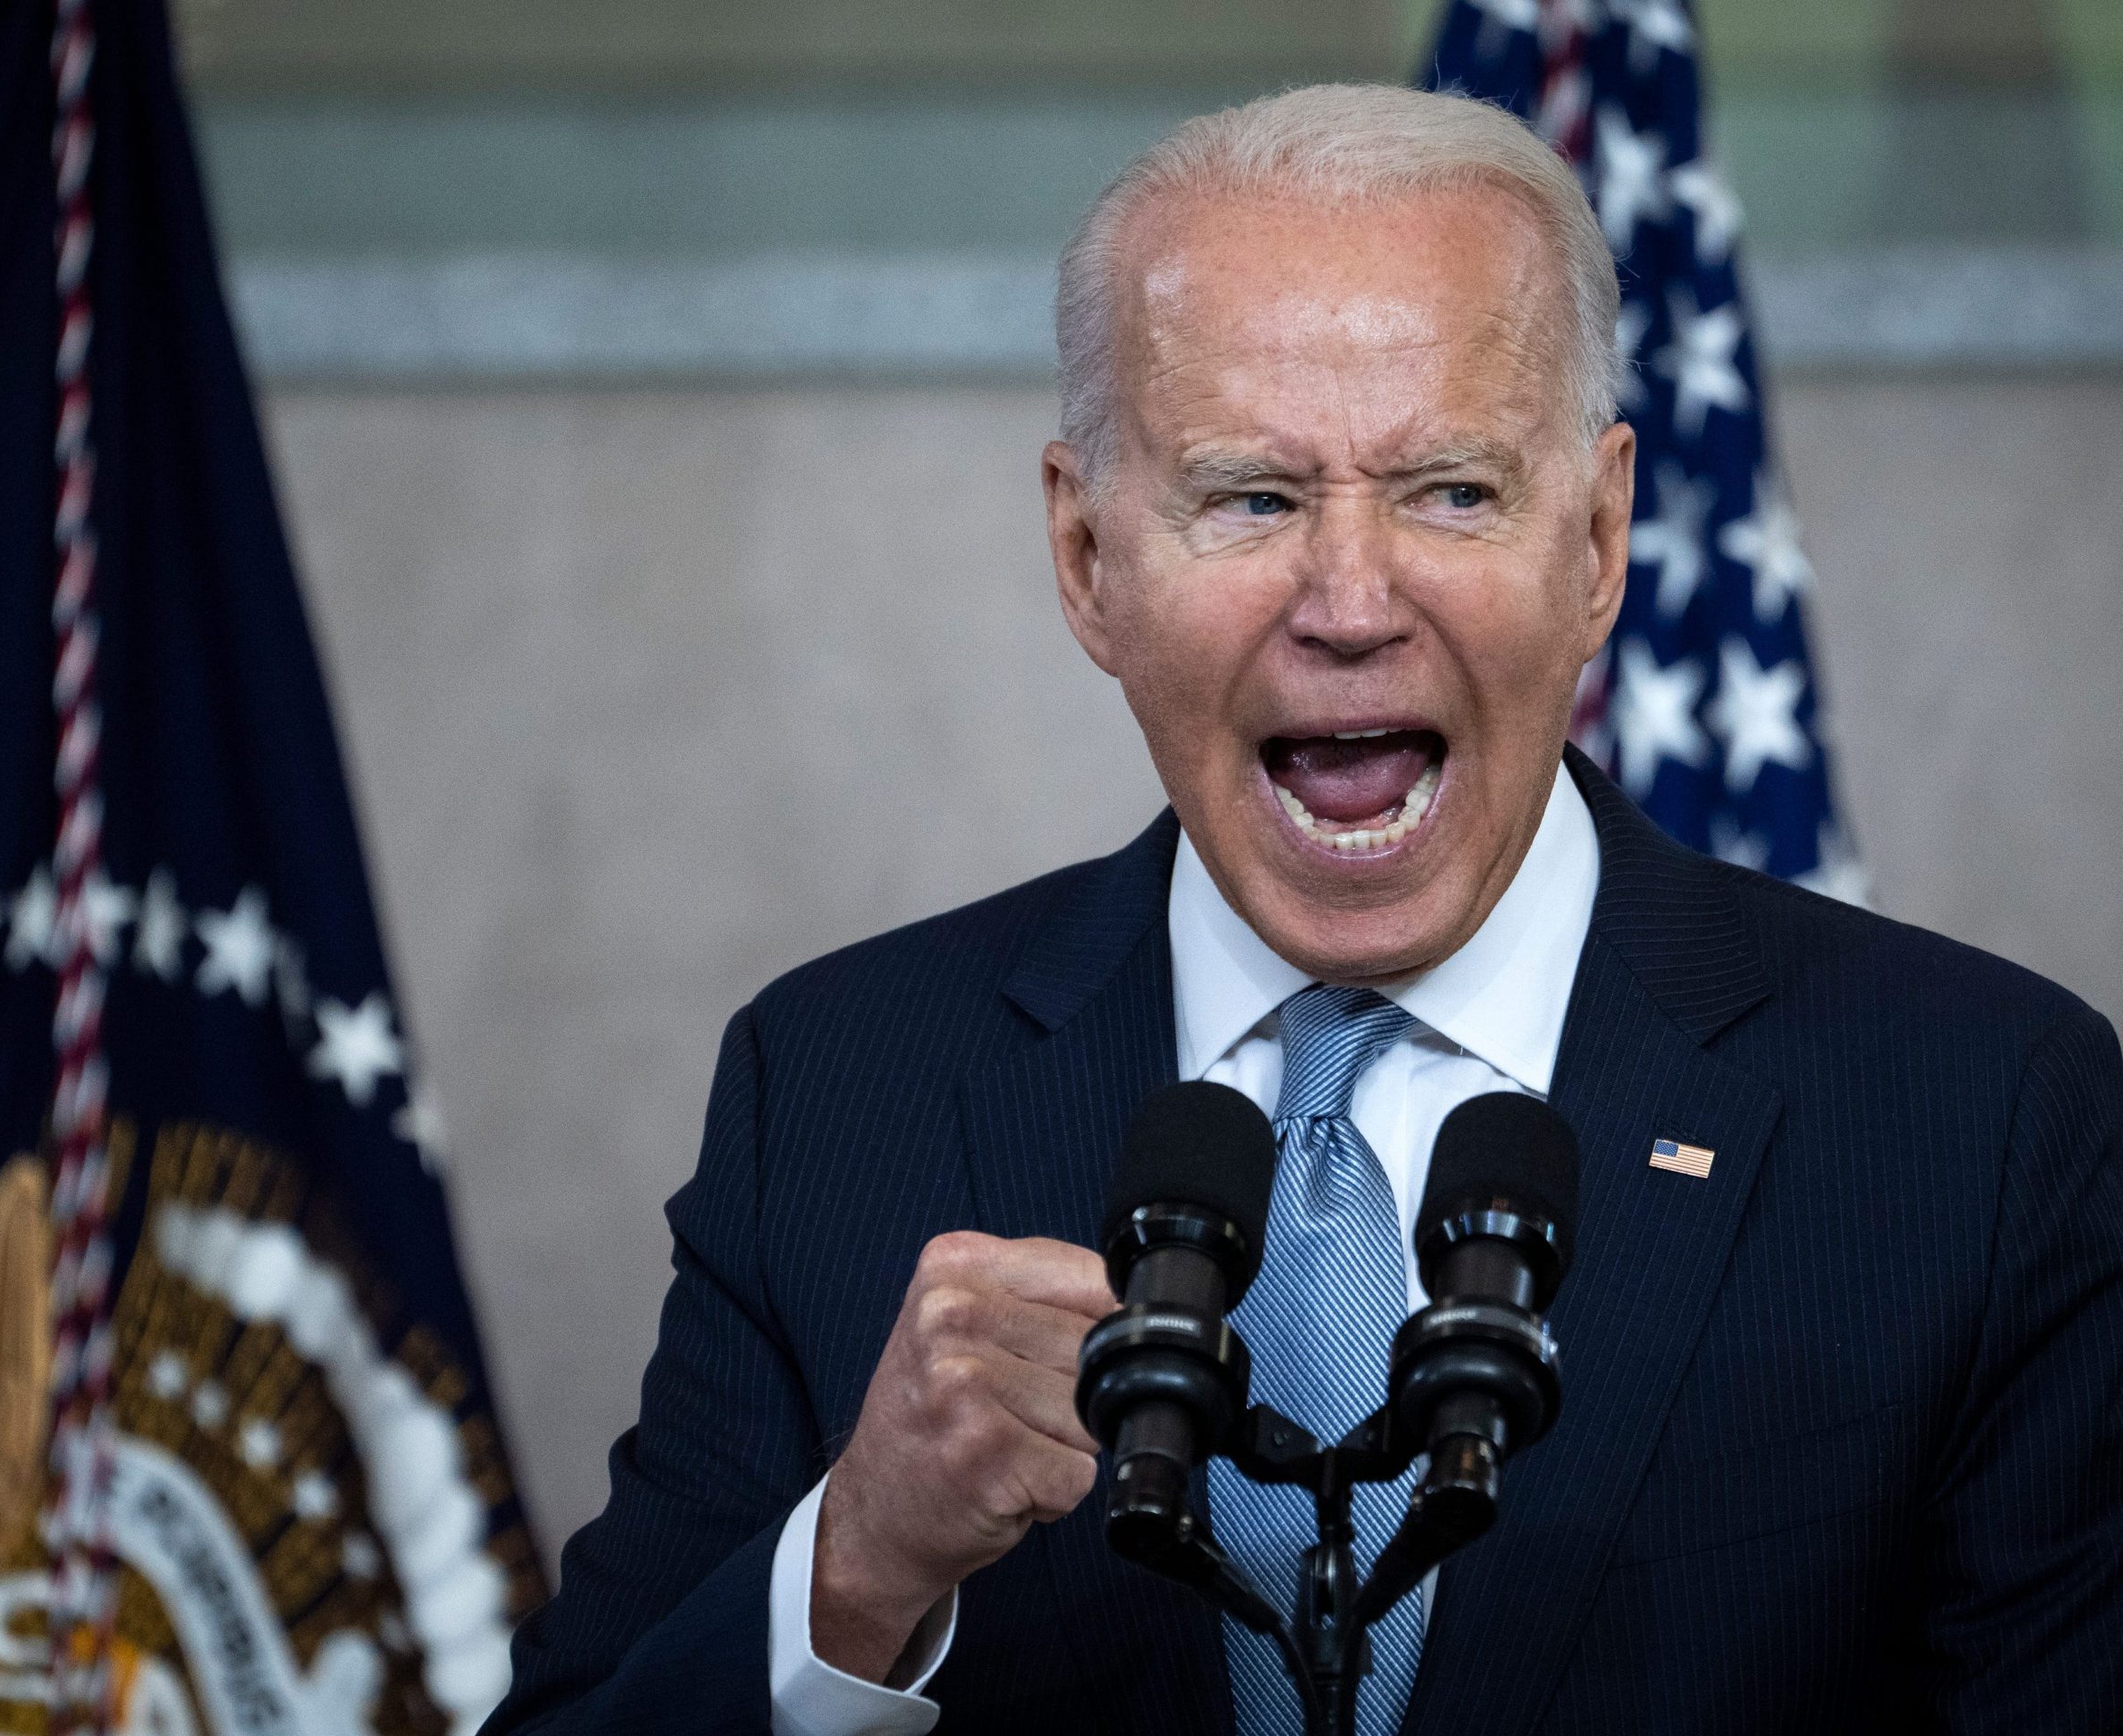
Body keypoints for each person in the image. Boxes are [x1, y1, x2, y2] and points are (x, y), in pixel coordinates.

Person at [482, 84, 2123, 1735]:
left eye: (1453, 493)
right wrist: (856, 1569)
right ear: (1085, 555)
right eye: (1252, 498)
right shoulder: (835, 1093)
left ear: (1603, 540)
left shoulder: (1981, 1122)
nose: (1351, 604)